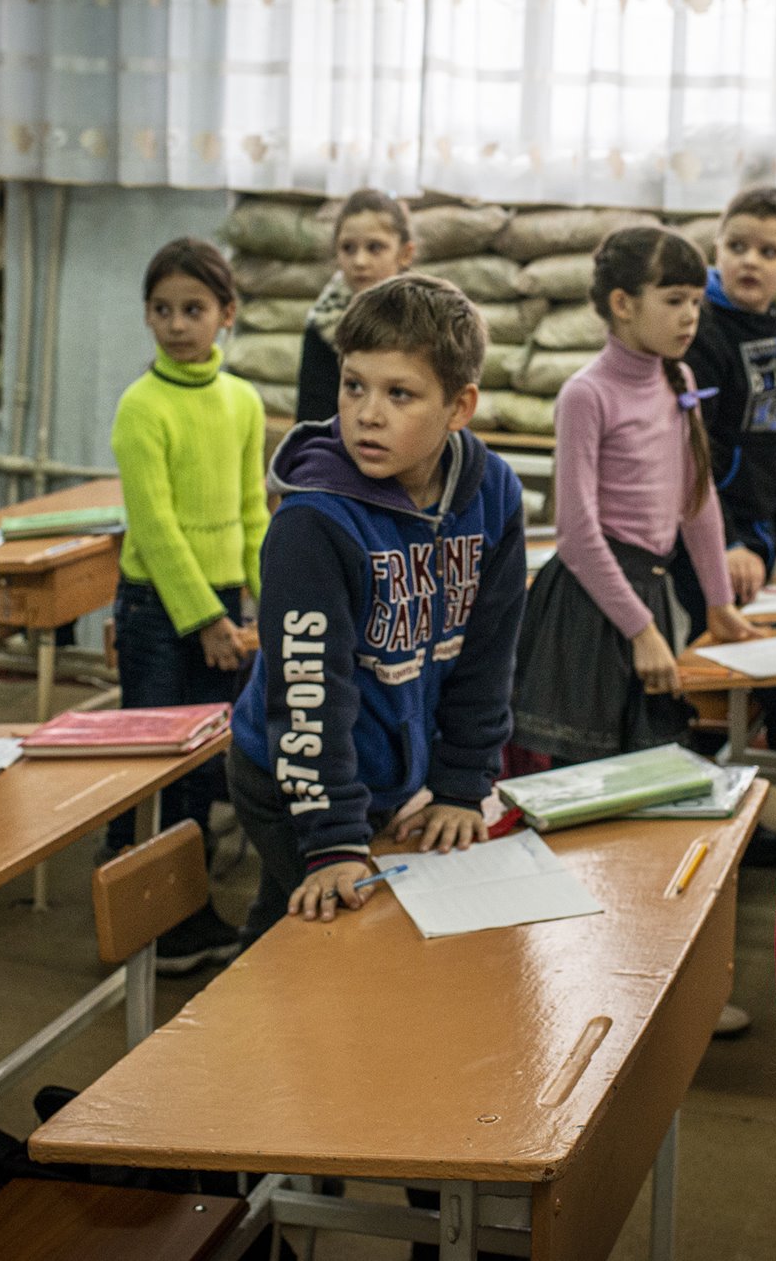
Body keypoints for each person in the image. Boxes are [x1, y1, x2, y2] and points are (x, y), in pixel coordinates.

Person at [229, 273, 526, 939]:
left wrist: (458, 784)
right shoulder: (313, 521)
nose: (366, 412)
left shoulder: (495, 494)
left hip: (386, 774)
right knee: (320, 936)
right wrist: (332, 837)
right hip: (291, 772)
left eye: (400, 393)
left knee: (295, 923)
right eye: (354, 384)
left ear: (459, 406)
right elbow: (308, 686)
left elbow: (487, 654)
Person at [511, 225, 759, 766]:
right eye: (674, 301)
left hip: (644, 595)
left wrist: (719, 605)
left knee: (646, 771)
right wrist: (642, 631)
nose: (691, 315)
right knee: (589, 781)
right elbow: (576, 537)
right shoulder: (586, 394)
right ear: (622, 304)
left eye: (695, 301)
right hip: (588, 607)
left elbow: (696, 502)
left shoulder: (679, 376)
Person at [104, 236, 270, 974]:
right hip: (159, 613)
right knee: (154, 765)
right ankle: (144, 920)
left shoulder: (242, 400)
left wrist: (268, 600)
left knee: (206, 764)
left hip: (227, 612)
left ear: (225, 315)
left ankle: (186, 906)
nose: (176, 323)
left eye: (193, 309)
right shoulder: (141, 406)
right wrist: (204, 618)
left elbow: (250, 510)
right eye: (162, 309)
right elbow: (156, 527)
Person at [678, 183, 776, 762]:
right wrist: (728, 542)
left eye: (767, 252)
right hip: (709, 535)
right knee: (745, 663)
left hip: (759, 531)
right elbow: (695, 455)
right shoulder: (704, 331)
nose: (748, 260)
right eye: (736, 245)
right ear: (716, 249)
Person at [296, 189, 416, 422]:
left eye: (375, 247)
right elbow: (312, 420)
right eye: (348, 248)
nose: (359, 261)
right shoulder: (323, 324)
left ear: (405, 253)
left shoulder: (427, 324)